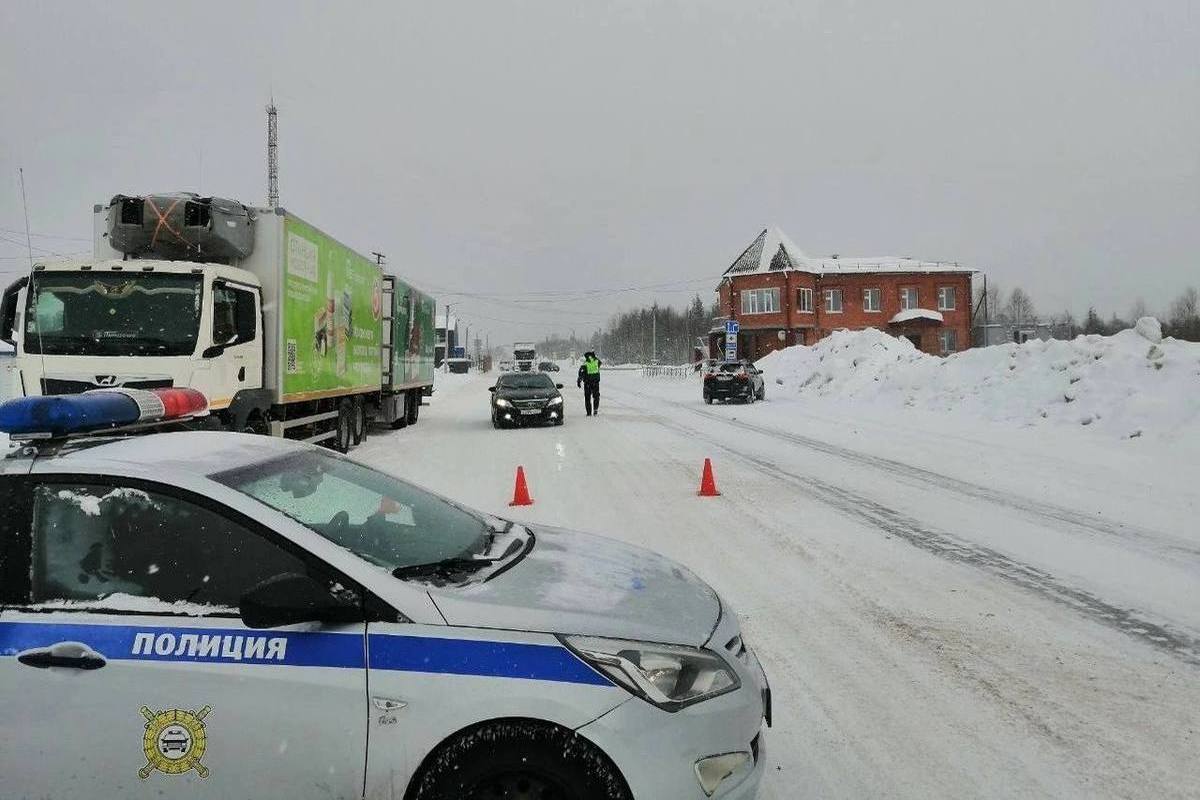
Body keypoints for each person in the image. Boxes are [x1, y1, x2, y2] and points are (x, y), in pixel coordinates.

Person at [576, 351, 602, 416]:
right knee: (596, 396)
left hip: (587, 383)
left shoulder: (585, 363)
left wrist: (579, 381)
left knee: (587, 398)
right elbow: (600, 363)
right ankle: (595, 409)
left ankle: (589, 413)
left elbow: (581, 373)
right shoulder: (596, 361)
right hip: (595, 382)